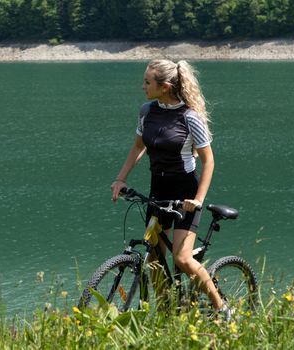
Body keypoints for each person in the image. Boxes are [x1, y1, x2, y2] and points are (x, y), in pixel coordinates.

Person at [110, 59, 228, 314]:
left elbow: (208, 161)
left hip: (185, 193)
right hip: (158, 192)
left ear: (164, 87)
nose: (142, 86)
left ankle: (222, 310)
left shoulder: (190, 117)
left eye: (147, 82)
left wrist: (198, 199)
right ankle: (168, 312)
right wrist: (121, 178)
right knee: (153, 255)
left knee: (182, 258)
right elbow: (138, 146)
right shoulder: (147, 111)